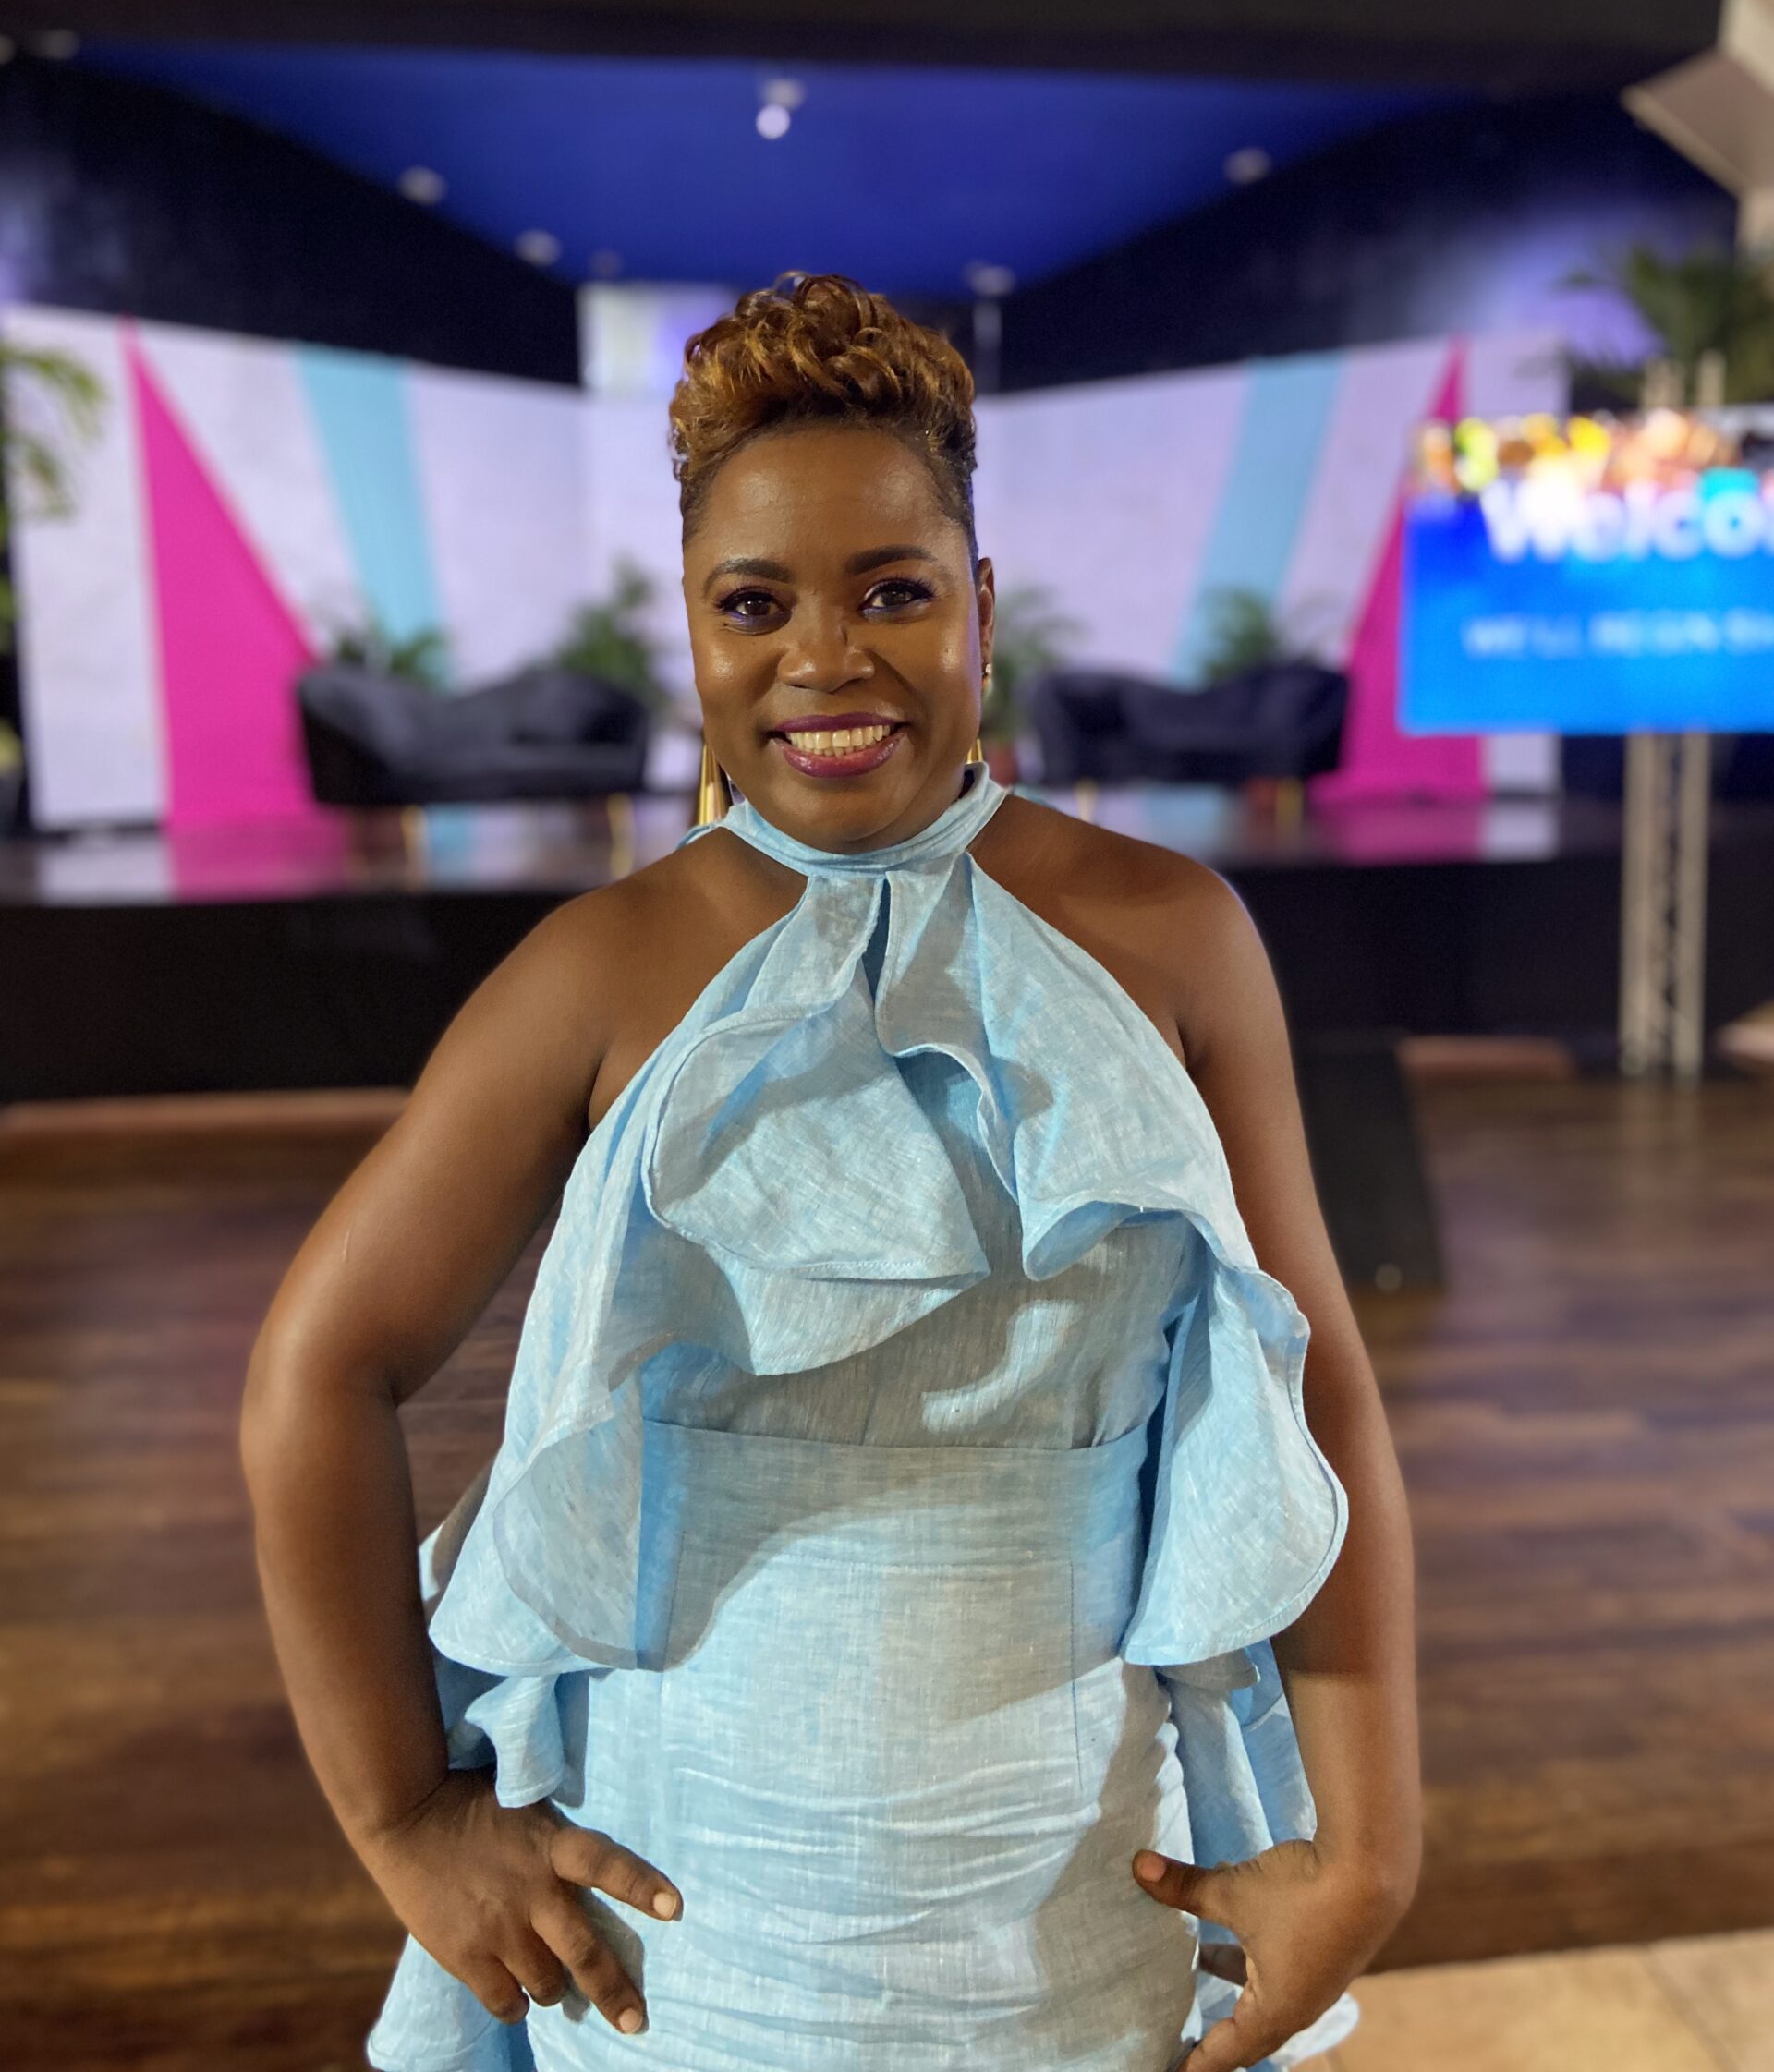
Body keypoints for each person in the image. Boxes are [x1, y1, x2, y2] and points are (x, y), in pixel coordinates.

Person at [240, 273, 1420, 2072]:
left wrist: (1374, 1839)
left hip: (1075, 1922)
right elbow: (317, 1370)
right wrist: (406, 1817)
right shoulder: (599, 971)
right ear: (694, 635)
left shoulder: (1175, 937)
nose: (825, 657)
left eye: (892, 590)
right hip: (688, 1948)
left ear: (981, 607)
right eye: (755, 603)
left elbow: (1311, 1379)